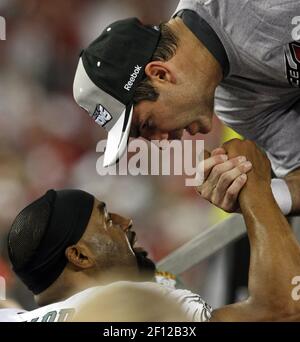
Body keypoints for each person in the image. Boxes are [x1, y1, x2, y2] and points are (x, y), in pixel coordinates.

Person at [1, 139, 300, 321]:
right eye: (107, 220)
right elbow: (283, 311)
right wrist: (257, 190)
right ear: (79, 255)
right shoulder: (128, 306)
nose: (125, 222)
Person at [73, 0, 300, 216]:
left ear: (160, 74)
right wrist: (262, 195)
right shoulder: (232, 105)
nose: (163, 142)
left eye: (147, 125)